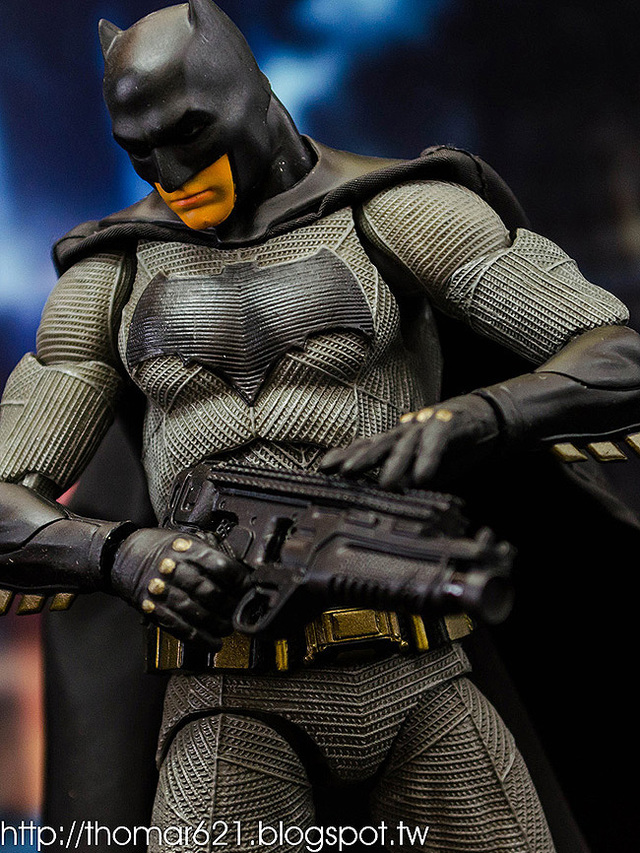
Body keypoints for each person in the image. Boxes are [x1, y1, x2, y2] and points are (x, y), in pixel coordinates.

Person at [1, 1, 640, 850]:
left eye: (190, 133)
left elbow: (618, 355)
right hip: (230, 697)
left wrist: (482, 416)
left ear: (255, 94)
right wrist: (121, 554)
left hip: (416, 674)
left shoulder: (397, 212)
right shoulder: (111, 274)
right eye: (140, 151)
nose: (171, 172)